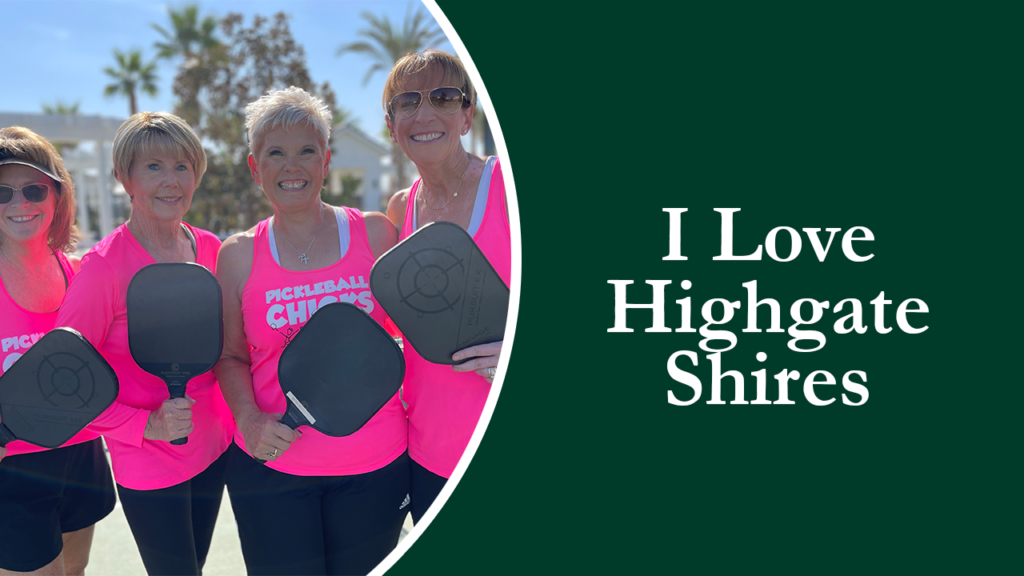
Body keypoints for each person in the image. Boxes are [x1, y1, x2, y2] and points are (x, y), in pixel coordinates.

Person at [215, 86, 407, 576]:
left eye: (306, 151)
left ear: (325, 160)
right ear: (256, 168)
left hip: (374, 465)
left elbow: (404, 339)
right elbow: (231, 356)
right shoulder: (237, 256)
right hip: (272, 470)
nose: (291, 166)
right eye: (275, 154)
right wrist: (249, 421)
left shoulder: (376, 234)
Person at [55, 112, 233, 576]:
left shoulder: (212, 249)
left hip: (214, 447)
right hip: (149, 461)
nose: (172, 181)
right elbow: (63, 380)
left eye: (182, 166)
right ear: (123, 177)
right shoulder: (102, 268)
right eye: (153, 167)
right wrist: (143, 426)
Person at [384, 50, 512, 524]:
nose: (424, 113)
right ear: (392, 124)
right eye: (407, 102)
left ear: (466, 116)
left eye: (442, 97)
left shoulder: (507, 187)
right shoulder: (401, 208)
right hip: (425, 453)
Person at [0, 127, 116, 576]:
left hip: (81, 453)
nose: (20, 203)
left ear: (57, 196)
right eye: (3, 192)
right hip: (14, 466)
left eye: (34, 189)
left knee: (75, 571)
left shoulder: (80, 272)